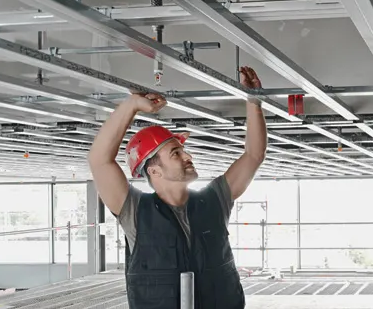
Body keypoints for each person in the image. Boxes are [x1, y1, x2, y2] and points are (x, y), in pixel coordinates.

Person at [88, 66, 267, 309]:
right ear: (154, 170)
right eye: (176, 153)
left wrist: (253, 100)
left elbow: (254, 155)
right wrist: (131, 105)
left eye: (183, 150)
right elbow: (99, 160)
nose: (187, 156)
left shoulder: (215, 200)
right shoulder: (134, 210)